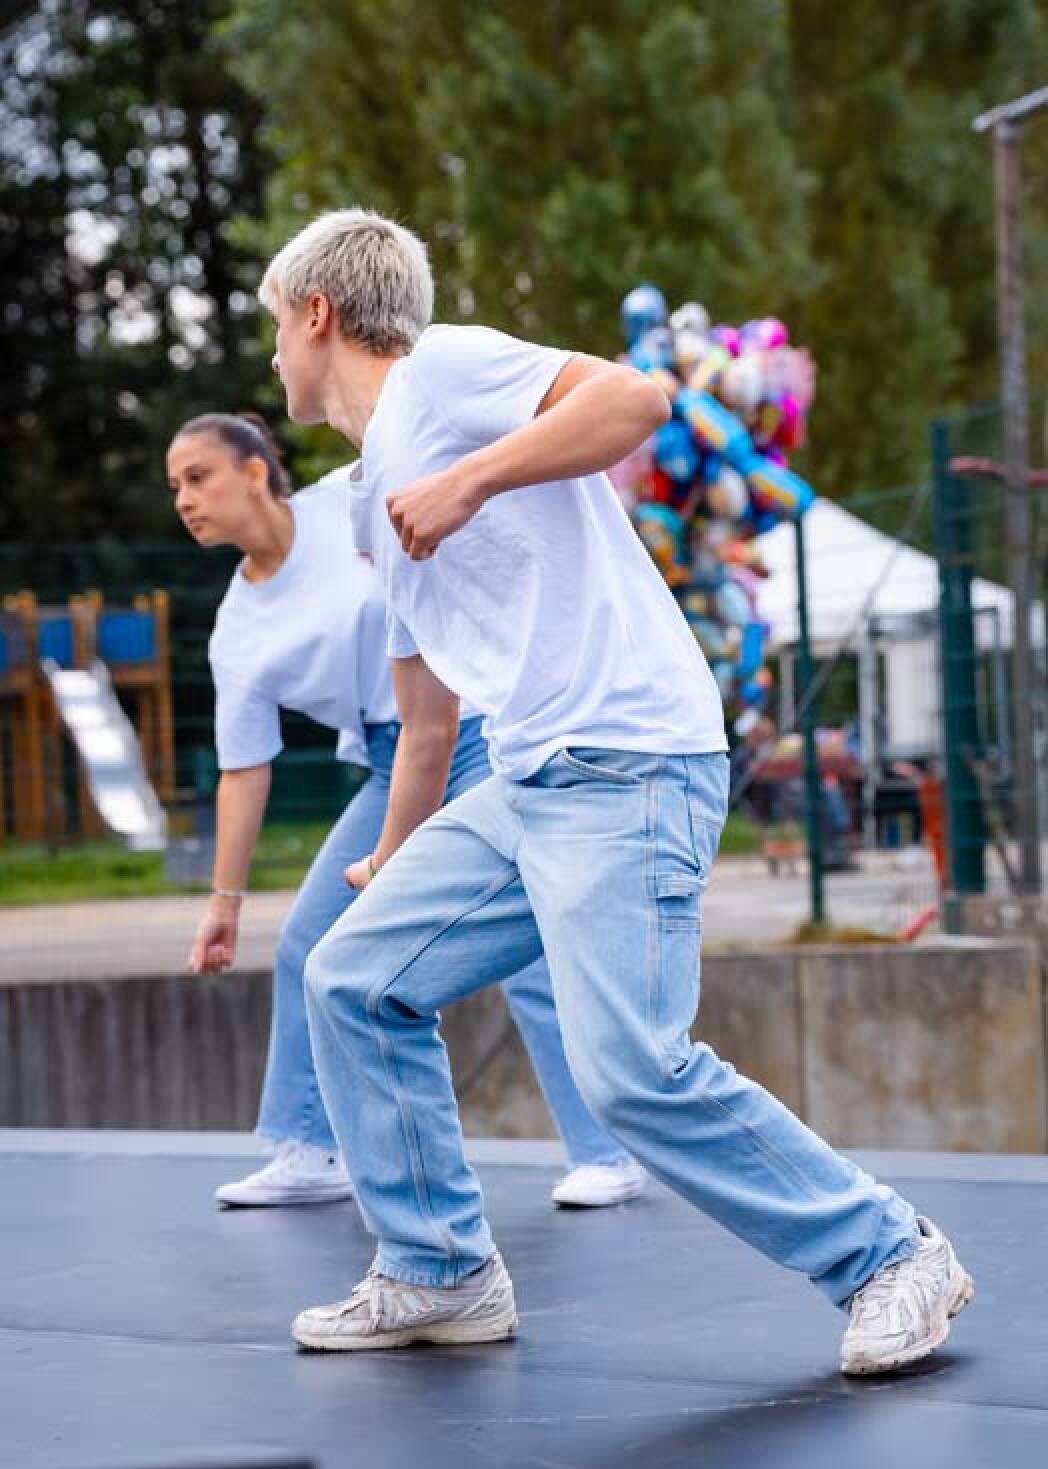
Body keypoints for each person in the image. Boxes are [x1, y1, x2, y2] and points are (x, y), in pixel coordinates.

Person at [262, 209, 973, 1376]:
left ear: (317, 315)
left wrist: (471, 481)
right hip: (526, 775)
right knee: (352, 978)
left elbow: (637, 400)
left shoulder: (441, 373)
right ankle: (439, 1270)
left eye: (275, 330)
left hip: (629, 756)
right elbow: (427, 717)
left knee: (630, 1067)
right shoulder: (363, 500)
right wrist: (394, 853)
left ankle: (891, 1254)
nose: (274, 357)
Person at [166, 412, 645, 1211]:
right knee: (307, 943)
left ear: (253, 472)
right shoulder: (237, 630)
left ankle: (606, 1153)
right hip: (397, 763)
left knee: (524, 946)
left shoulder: (341, 503)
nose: (184, 499)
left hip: (476, 731)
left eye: (197, 477)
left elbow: (445, 512)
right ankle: (310, 1149)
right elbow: (243, 771)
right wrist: (224, 903)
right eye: (175, 487)